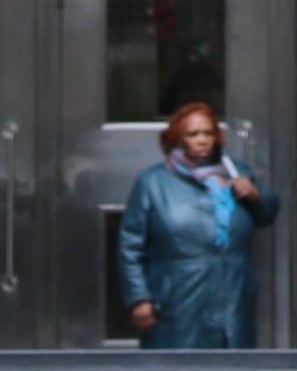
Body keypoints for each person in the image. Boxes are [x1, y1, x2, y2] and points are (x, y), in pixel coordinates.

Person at [118, 101, 276, 350]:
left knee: (232, 363)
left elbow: (267, 215)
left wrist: (255, 195)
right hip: (178, 296)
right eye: (193, 134)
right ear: (177, 139)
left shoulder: (235, 172)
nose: (202, 140)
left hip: (232, 292)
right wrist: (139, 298)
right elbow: (130, 246)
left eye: (208, 133)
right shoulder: (153, 182)